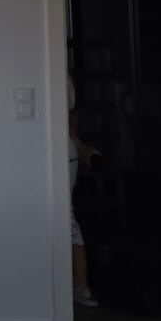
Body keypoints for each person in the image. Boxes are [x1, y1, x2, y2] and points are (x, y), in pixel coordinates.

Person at [68, 74, 101, 306]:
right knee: (67, 220)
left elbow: (70, 123)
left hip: (65, 155)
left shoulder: (62, 79)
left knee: (66, 221)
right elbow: (71, 123)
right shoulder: (66, 79)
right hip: (68, 154)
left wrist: (81, 149)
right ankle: (80, 286)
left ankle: (80, 286)